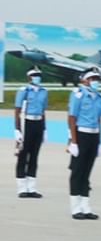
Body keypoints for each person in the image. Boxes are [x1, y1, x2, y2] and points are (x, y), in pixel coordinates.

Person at [67, 68, 101, 219]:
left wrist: (99, 142)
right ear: (84, 80)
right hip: (81, 135)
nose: (96, 81)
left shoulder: (99, 97)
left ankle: (86, 206)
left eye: (97, 79)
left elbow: (98, 120)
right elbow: (72, 118)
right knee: (77, 171)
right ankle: (76, 207)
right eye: (92, 78)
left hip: (93, 135)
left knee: (87, 172)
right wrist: (73, 141)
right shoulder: (77, 95)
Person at [14, 65, 48, 199]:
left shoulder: (43, 91)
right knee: (23, 155)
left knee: (34, 155)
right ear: (29, 77)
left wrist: (44, 128)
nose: (37, 78)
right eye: (34, 75)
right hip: (26, 123)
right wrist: (17, 130)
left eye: (39, 75)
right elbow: (17, 112)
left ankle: (31, 187)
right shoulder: (24, 91)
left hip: (38, 123)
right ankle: (22, 187)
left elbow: (43, 111)